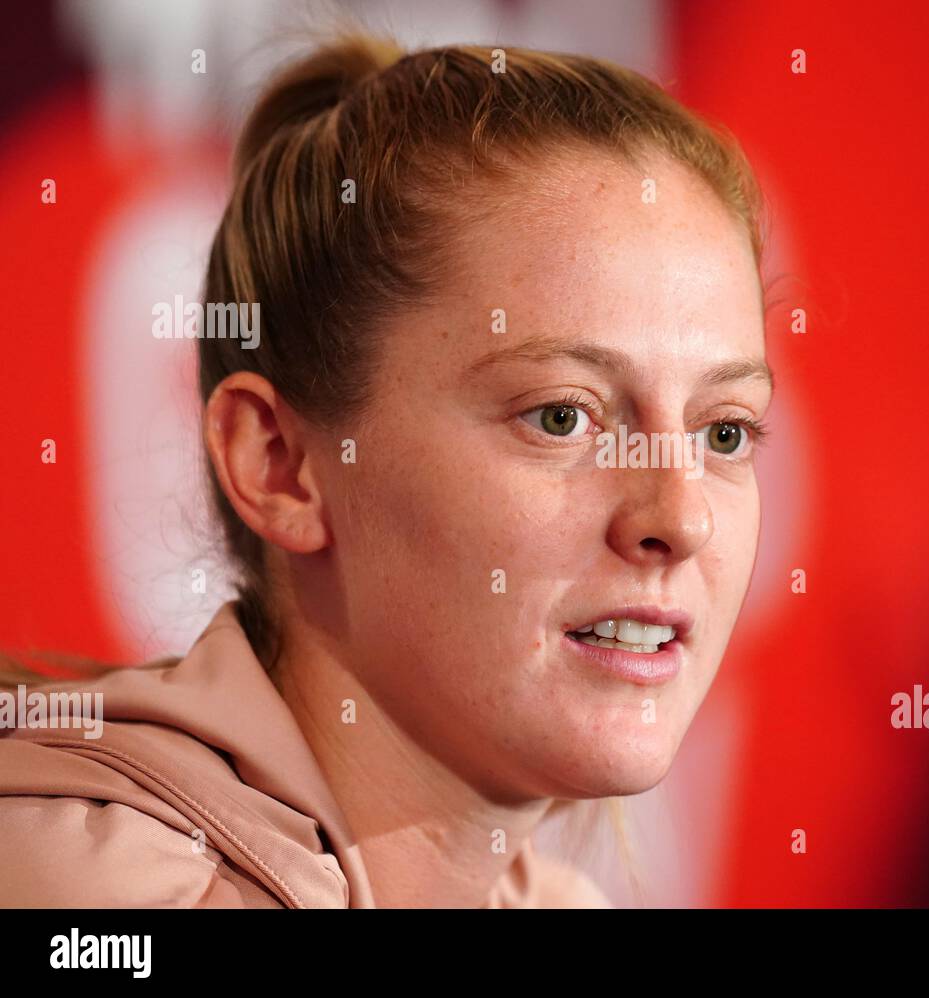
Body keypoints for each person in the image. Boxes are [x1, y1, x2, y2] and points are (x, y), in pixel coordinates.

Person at [0, 31, 773, 908]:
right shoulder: (81, 888)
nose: (683, 516)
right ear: (279, 465)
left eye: (725, 433)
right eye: (563, 417)